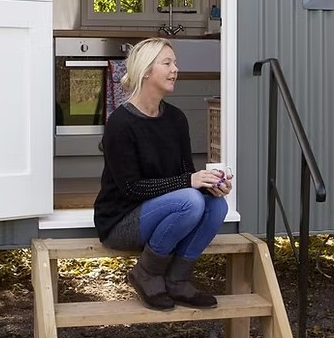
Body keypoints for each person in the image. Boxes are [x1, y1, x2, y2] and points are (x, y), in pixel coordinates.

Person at [93, 38, 232, 311]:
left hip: (163, 213)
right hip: (122, 221)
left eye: (175, 63)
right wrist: (189, 183)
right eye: (166, 63)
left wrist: (210, 185)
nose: (175, 69)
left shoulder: (176, 119)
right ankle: (146, 272)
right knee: (190, 201)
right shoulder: (121, 123)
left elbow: (183, 174)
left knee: (217, 205)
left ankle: (177, 280)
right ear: (146, 70)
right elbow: (131, 189)